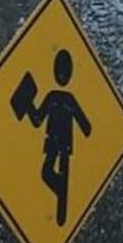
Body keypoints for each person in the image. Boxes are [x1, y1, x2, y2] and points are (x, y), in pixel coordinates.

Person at [28, 49, 92, 226]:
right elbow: (37, 119)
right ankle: (60, 190)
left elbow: (86, 126)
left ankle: (61, 199)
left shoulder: (66, 99)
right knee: (46, 172)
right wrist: (27, 104)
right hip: (55, 143)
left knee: (59, 171)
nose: (62, 75)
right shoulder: (53, 97)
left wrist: (28, 105)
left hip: (63, 145)